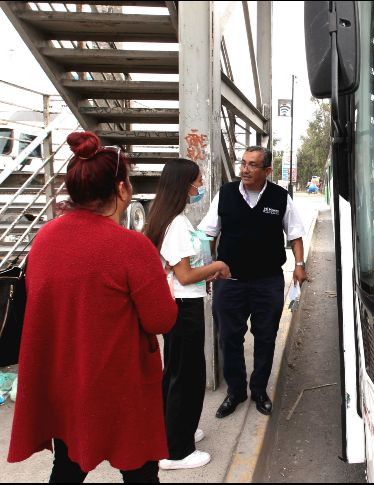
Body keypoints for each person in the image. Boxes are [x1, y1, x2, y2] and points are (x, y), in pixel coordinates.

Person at [7, 131, 178, 483]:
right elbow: (161, 319)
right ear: (121, 190)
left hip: (65, 379)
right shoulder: (132, 247)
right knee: (140, 471)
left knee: (67, 467)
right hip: (119, 384)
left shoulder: (44, 239)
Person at [199, 146, 306, 418]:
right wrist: (208, 266)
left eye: (252, 165)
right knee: (229, 337)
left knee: (266, 337)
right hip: (229, 282)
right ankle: (236, 391)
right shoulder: (225, 194)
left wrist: (299, 265)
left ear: (267, 171)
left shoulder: (280, 197)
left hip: (267, 282)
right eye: (243, 163)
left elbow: (294, 235)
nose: (244, 170)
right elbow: (209, 233)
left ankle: (259, 390)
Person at [143, 158, 231, 470]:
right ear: (184, 185)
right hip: (183, 308)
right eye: (197, 181)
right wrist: (217, 267)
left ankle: (175, 430)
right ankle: (177, 451)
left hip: (178, 305)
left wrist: (202, 270)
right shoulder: (176, 224)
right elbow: (184, 275)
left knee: (177, 373)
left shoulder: (169, 218)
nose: (200, 186)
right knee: (188, 377)